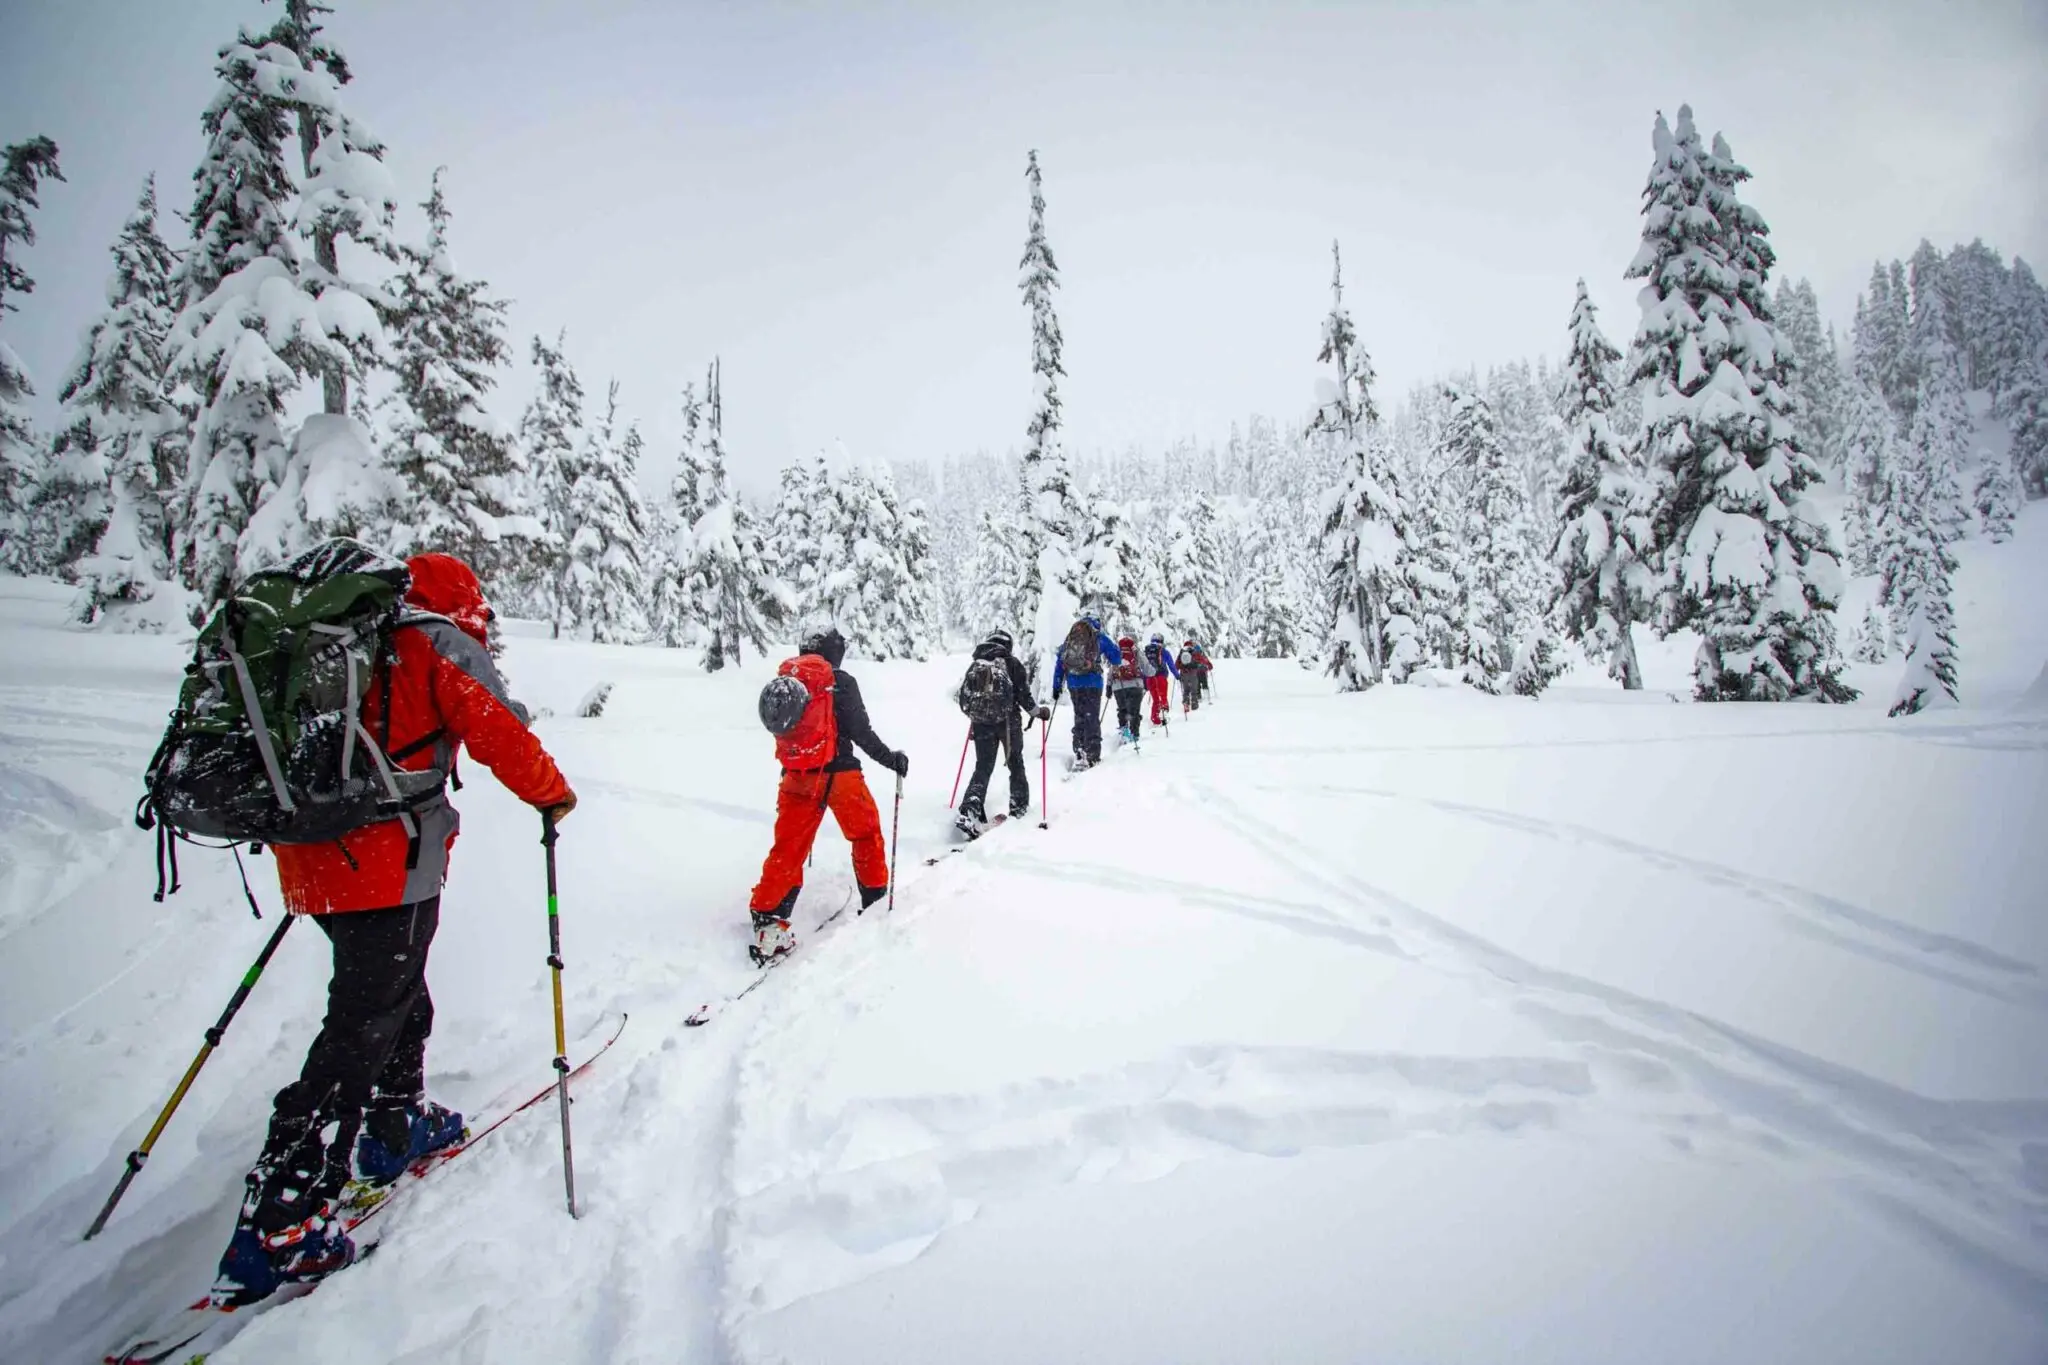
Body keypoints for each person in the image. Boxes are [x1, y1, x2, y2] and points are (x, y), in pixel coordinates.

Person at [217, 553, 576, 1305]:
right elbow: (498, 731)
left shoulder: (355, 639)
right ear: (463, 601)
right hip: (387, 861)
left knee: (391, 993)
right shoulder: (436, 641)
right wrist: (552, 793)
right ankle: (283, 1214)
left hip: (312, 856)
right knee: (363, 1018)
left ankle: (393, 1119)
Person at [749, 625, 908, 962]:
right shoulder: (840, 682)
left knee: (789, 847)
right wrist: (891, 759)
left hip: (796, 777)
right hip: (840, 777)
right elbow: (862, 733)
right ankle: (875, 900)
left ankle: (768, 917)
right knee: (865, 834)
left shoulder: (790, 678)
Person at [956, 629, 1051, 836]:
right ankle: (1019, 808)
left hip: (981, 724)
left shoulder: (977, 663)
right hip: (1009, 723)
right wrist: (1039, 712)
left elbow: (964, 697)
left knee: (983, 767)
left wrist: (977, 718)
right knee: (1015, 762)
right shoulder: (1012, 664)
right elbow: (1025, 697)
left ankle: (970, 808)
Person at [1049, 615, 1122, 770]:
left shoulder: (1071, 638)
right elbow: (1116, 658)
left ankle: (1079, 751)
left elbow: (1060, 662)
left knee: (1080, 716)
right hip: (1093, 683)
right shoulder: (1098, 637)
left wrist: (1056, 686)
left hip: (1074, 683)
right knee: (1092, 717)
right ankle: (1092, 755)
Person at [1107, 634, 1145, 745]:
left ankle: (1124, 733)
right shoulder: (1136, 651)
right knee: (1134, 711)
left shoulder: (1117, 652)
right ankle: (1134, 735)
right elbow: (1146, 666)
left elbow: (1111, 669)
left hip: (1118, 686)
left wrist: (1109, 686)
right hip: (1135, 685)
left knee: (1122, 709)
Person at [1141, 633, 1181, 726]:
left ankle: (1155, 719)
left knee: (1155, 699)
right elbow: (1171, 665)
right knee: (1163, 697)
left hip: (1150, 678)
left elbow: (1143, 667)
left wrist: (1144, 680)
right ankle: (1164, 715)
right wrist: (1177, 675)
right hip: (1161, 677)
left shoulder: (1146, 651)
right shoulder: (1164, 651)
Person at [1178, 638, 1215, 710]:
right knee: (1203, 684)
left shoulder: (1182, 652)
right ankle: (1204, 699)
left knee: (1190, 688)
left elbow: (1177, 664)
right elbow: (1204, 659)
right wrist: (1209, 665)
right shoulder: (1197, 651)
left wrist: (1178, 670)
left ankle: (1190, 701)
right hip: (1200, 671)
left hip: (1189, 673)